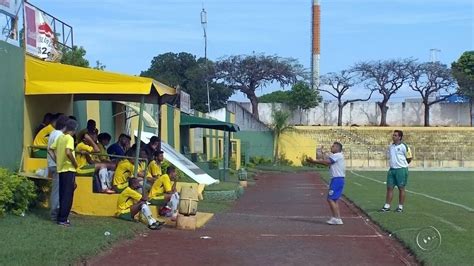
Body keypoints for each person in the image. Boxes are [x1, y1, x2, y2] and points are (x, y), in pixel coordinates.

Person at [307, 142, 346, 225]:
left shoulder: (337, 155)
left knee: (330, 199)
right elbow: (326, 162)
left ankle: (336, 218)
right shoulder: (338, 156)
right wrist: (320, 155)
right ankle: (337, 217)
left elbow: (327, 162)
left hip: (337, 179)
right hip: (338, 179)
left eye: (333, 146)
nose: (331, 147)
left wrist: (314, 161)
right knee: (334, 199)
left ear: (338, 148)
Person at [50, 119, 79, 226]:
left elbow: (50, 149)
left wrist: (57, 161)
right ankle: (63, 219)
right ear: (74, 130)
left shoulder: (60, 137)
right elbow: (68, 152)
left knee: (62, 194)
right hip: (69, 169)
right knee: (67, 195)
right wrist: (75, 163)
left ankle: (60, 217)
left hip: (61, 169)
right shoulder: (69, 138)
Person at [379, 130, 413, 213]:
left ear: (399, 137)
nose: (393, 136)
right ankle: (387, 206)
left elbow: (409, 158)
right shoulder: (391, 146)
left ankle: (400, 207)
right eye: (393, 135)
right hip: (392, 170)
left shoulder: (404, 146)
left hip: (401, 170)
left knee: (401, 188)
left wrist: (403, 165)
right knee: (389, 188)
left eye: (395, 135)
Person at [46, 115, 69, 221]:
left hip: (51, 165)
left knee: (57, 189)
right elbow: (54, 150)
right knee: (57, 191)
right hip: (56, 165)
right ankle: (54, 214)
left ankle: (56, 212)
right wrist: (58, 162)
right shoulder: (60, 135)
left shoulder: (53, 133)